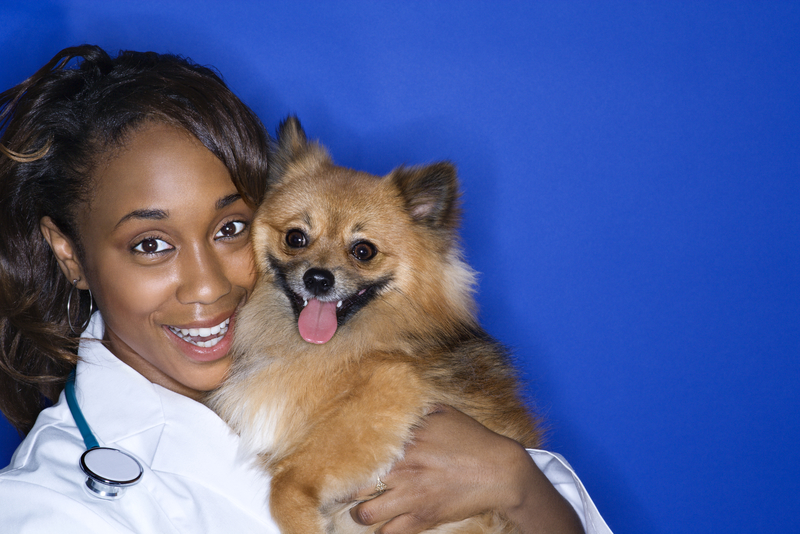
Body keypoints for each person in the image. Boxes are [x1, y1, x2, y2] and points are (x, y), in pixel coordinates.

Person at [0, 45, 611, 533]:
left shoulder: (392, 384)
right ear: (68, 254)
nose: (208, 283)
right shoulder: (46, 507)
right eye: (151, 245)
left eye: (230, 228)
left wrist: (518, 483)